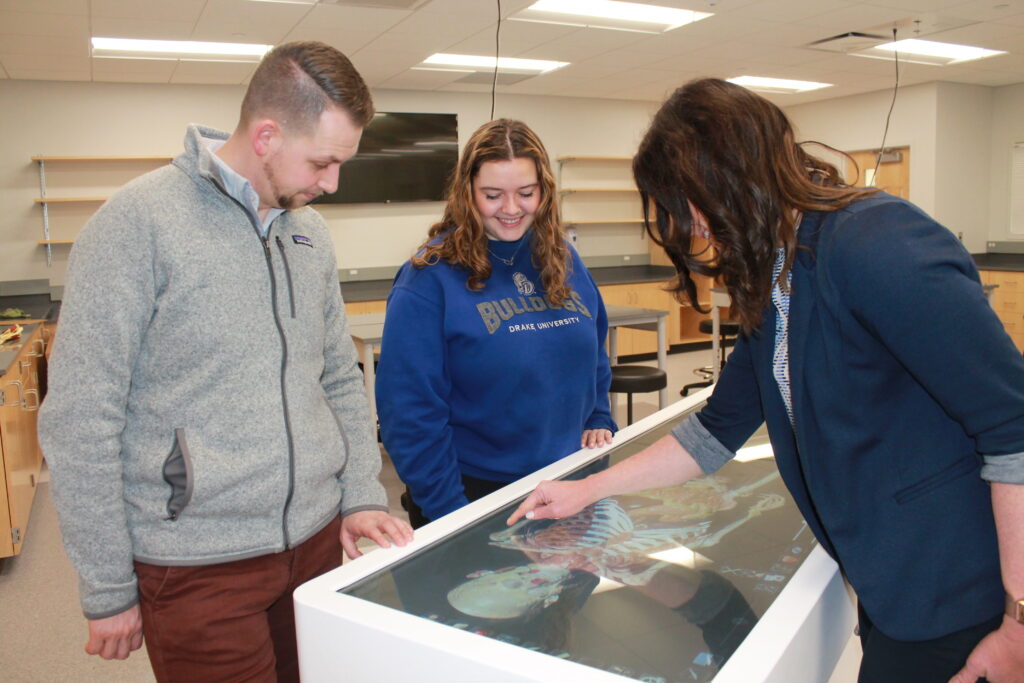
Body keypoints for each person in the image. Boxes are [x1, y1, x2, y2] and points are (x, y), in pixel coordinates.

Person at [508, 78, 1024, 683]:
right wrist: (588, 490)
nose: (695, 232)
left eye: (692, 208)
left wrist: (1018, 621)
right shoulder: (777, 270)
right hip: (891, 585)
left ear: (732, 179)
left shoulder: (877, 243)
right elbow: (714, 432)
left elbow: (1011, 427)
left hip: (965, 600)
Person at [37, 41, 413, 683]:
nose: (332, 183)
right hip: (196, 564)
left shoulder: (308, 234)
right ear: (266, 135)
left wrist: (357, 495)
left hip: (317, 545)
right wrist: (106, 587)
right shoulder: (136, 225)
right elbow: (80, 418)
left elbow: (337, 380)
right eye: (323, 162)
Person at [375, 118, 616, 529]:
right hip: (474, 495)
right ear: (467, 193)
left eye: (526, 193)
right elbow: (409, 412)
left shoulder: (563, 258)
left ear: (544, 192)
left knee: (571, 594)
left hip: (571, 485)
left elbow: (592, 349)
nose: (510, 209)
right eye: (492, 195)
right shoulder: (429, 277)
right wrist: (452, 514)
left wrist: (597, 414)